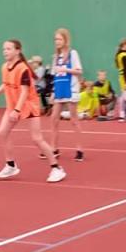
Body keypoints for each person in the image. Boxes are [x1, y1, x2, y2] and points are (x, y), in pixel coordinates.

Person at [0, 39, 66, 183]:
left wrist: (17, 110)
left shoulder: (23, 68)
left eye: (8, 49)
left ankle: (57, 168)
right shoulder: (4, 67)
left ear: (17, 51)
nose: (5, 51)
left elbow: (25, 92)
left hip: (28, 105)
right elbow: (6, 84)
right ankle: (11, 165)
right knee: (2, 132)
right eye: (4, 49)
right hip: (13, 105)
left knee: (37, 139)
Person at [48, 28, 85, 162]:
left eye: (59, 39)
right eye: (55, 39)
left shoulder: (72, 54)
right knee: (53, 119)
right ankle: (54, 148)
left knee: (74, 120)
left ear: (65, 40)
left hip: (70, 89)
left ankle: (79, 149)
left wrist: (66, 69)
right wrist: (53, 92)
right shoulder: (55, 57)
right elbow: (55, 75)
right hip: (59, 90)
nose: (57, 41)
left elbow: (79, 71)